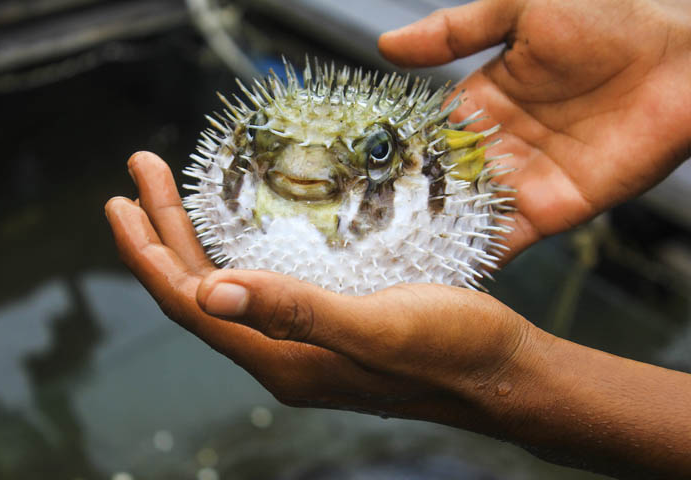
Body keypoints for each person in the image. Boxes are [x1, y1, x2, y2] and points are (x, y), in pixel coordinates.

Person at [105, 0, 691, 478]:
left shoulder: (451, 180)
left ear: (435, 172)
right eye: (263, 144)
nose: (304, 169)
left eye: (378, 155)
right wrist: (676, 52)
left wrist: (509, 376)